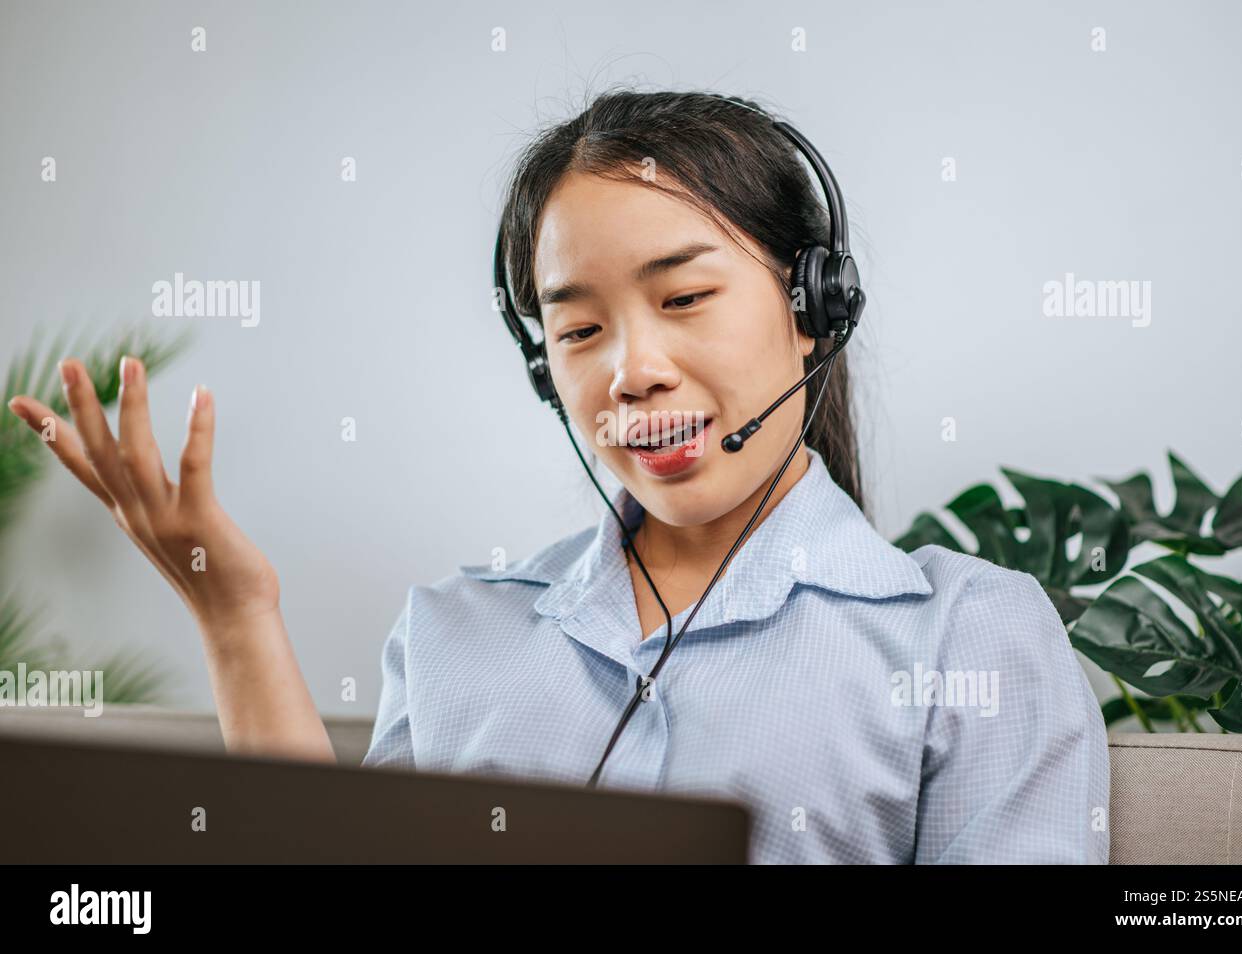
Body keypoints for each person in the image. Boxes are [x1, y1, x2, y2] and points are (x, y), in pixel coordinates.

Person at [5, 88, 1109, 864]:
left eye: (682, 300)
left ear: (814, 310)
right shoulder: (453, 632)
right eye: (576, 331)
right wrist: (234, 614)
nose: (631, 371)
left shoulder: (969, 637)